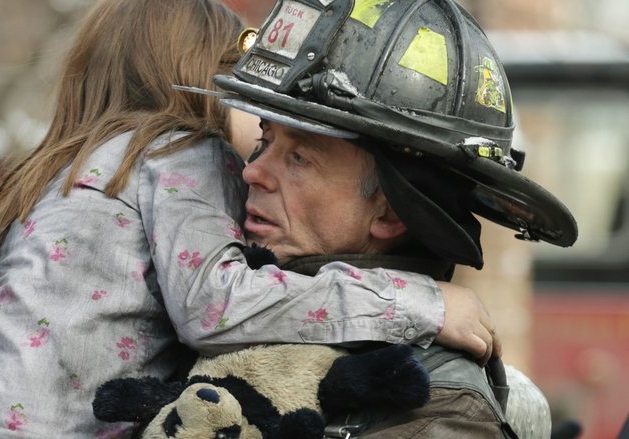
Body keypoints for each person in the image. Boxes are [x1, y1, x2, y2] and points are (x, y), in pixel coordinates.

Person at [0, 0, 498, 437]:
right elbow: (218, 306)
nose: (250, 168)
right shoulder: (178, 152)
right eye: (261, 128)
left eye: (299, 154)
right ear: (198, 77)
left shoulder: (62, 173)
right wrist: (418, 302)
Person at [206, 0, 578, 437]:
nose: (253, 171)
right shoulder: (217, 309)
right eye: (264, 140)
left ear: (390, 212)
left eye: (301, 157)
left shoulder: (436, 410)